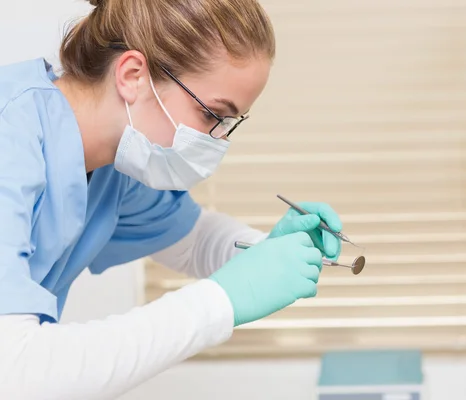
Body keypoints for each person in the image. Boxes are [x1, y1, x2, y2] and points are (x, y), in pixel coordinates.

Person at [0, 0, 344, 398]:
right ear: (132, 76)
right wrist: (220, 301)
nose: (217, 141)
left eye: (230, 124)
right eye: (211, 115)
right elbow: (14, 369)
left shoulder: (113, 164)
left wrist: (268, 249)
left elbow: (191, 240)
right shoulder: (10, 139)